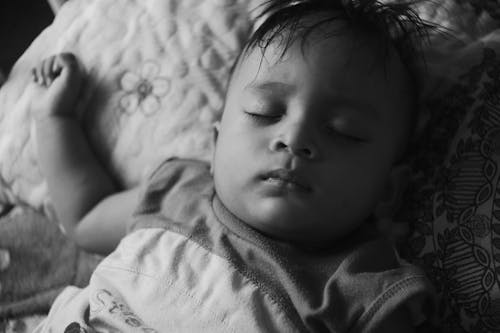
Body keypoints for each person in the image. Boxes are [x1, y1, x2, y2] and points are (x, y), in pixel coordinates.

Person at [31, 0, 437, 331]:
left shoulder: (358, 287)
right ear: (214, 143)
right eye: (265, 111)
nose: (294, 139)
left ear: (387, 190)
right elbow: (84, 216)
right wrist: (55, 118)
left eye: (343, 131)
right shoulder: (178, 192)